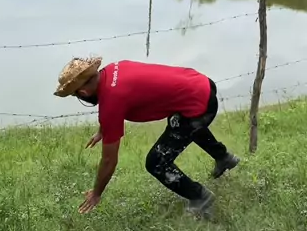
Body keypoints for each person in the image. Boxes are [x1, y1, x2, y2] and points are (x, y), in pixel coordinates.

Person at [53, 57, 239, 217]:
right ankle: (224, 158)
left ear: (83, 93)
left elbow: (109, 160)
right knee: (181, 123)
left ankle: (200, 197)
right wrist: (103, 130)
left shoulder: (111, 100)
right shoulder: (113, 69)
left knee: (156, 162)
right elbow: (115, 100)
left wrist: (96, 193)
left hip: (201, 104)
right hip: (201, 83)